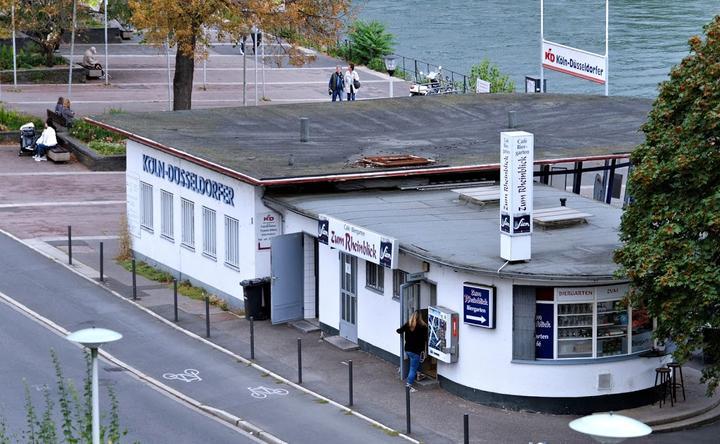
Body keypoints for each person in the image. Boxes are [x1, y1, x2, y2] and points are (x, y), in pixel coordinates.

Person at [396, 311, 428, 392]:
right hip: (416, 351)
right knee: (413, 368)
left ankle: (419, 374)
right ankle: (409, 386)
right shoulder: (423, 327)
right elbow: (425, 339)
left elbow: (399, 331)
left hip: (408, 350)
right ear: (420, 317)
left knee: (416, 363)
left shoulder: (408, 324)